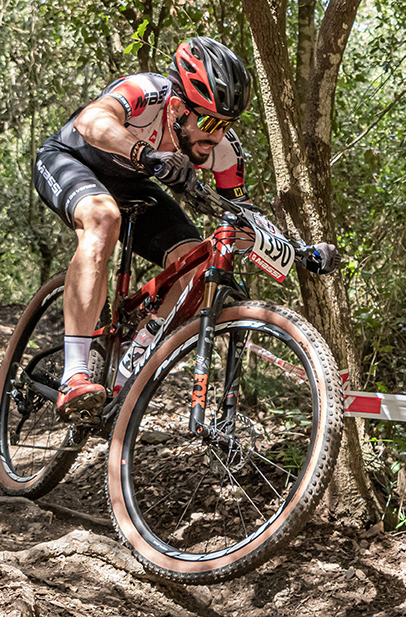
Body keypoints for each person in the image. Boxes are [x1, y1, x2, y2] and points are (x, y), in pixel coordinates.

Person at [33, 36, 340, 418]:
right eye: (210, 121)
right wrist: (145, 154)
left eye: (227, 125)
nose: (217, 136)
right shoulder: (146, 92)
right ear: (178, 108)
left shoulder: (223, 150)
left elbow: (241, 213)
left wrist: (296, 250)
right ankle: (75, 374)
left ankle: (129, 365)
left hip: (134, 183)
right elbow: (91, 121)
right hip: (71, 160)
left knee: (194, 267)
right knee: (103, 217)